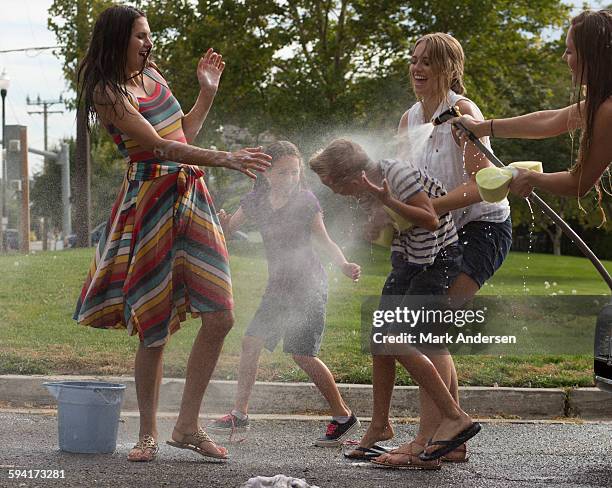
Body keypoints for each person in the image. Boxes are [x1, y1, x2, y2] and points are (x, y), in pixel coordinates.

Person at [73, 5, 271, 462]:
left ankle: (185, 425)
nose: (149, 43)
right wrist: (227, 158)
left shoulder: (155, 78)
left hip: (191, 196)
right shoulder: (108, 91)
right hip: (150, 203)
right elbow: (159, 146)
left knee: (220, 315)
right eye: (140, 36)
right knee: (154, 325)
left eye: (149, 35)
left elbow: (182, 134)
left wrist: (206, 93)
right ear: (118, 39)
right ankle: (147, 434)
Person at [348, 32, 513, 467]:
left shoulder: (463, 113)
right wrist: (383, 215)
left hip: (481, 230)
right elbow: (405, 181)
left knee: (425, 332)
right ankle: (446, 440)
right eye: (414, 60)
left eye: (429, 62)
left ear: (450, 69)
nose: (418, 69)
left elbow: (483, 186)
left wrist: (427, 210)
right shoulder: (409, 119)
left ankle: (426, 445)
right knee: (392, 327)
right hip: (436, 235)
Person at [310, 138, 482, 467]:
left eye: (330, 182)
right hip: (409, 260)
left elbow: (430, 218)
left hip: (437, 260)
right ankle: (379, 427)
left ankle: (453, 417)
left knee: (396, 339)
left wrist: (386, 199)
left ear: (349, 176)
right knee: (379, 340)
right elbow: (394, 225)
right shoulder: (367, 189)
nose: (330, 190)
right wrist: (375, 223)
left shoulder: (395, 176)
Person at [210, 140, 362, 446]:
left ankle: (344, 417)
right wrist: (224, 225)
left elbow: (325, 240)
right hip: (278, 287)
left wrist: (344, 264)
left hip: (308, 287)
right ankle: (240, 415)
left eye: (294, 172)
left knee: (302, 354)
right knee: (251, 342)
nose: (290, 178)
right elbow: (227, 230)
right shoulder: (256, 200)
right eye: (282, 173)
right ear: (265, 173)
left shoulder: (305, 201)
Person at [450, 10, 612, 203]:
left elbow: (577, 184)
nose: (563, 57)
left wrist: (531, 177)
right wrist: (480, 127)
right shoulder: (601, 104)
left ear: (591, 56)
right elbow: (549, 121)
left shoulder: (608, 110)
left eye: (569, 51)